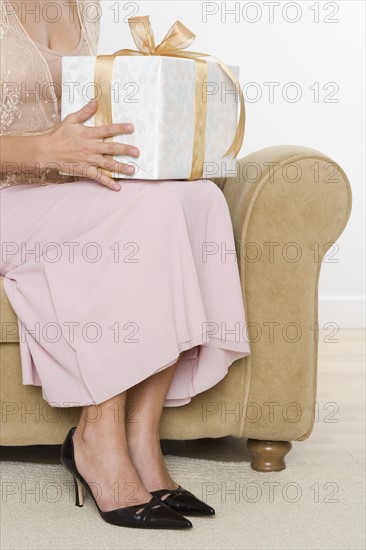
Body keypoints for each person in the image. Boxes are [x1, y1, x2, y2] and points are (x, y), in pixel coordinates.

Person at [0, 0, 251, 529]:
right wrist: (43, 150)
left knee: (199, 197)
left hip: (60, 195)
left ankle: (141, 439)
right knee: (151, 207)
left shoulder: (82, 6)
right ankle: (97, 437)